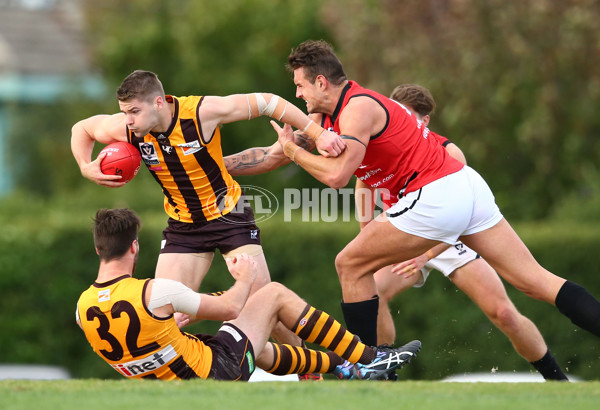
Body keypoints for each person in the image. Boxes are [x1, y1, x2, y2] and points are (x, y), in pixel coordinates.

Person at [224, 39, 600, 359]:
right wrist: (212, 166)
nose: (297, 94)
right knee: (535, 283)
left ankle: (364, 365)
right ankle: (369, 363)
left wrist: (294, 153)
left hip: (435, 196)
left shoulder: (358, 108)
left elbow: (336, 176)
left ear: (321, 82)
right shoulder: (324, 121)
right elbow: (273, 154)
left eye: (300, 86)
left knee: (350, 264)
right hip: (465, 186)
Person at [70, 70, 345, 368]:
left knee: (267, 307)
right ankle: (173, 385)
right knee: (166, 315)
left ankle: (310, 373)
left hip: (229, 216)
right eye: (125, 112)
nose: (128, 120)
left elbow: (269, 102)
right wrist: (85, 166)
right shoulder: (127, 128)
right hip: (183, 227)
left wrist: (320, 134)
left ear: (159, 103)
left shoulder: (201, 113)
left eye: (135, 111)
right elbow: (81, 129)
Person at [364, 84, 566, 380]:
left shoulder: (449, 153)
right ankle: (385, 373)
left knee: (505, 314)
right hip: (406, 233)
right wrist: (366, 234)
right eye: (396, 115)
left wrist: (427, 255)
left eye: (407, 117)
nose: (399, 124)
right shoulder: (383, 145)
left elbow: (457, 218)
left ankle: (557, 380)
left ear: (425, 120)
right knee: (372, 290)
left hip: (448, 238)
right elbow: (363, 182)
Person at [76, 208, 421, 381]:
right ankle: (368, 357)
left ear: (97, 250)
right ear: (134, 247)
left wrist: (175, 318)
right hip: (214, 372)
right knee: (273, 294)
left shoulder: (82, 308)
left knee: (262, 348)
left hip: (174, 377)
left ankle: (344, 368)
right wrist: (244, 278)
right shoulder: (155, 291)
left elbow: (140, 337)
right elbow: (230, 308)